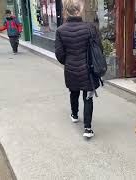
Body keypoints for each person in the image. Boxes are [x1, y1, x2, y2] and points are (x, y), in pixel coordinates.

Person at [55, 0, 102, 138]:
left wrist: (68, 62)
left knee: (73, 91)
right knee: (88, 97)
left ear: (66, 12)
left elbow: (59, 54)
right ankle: (87, 129)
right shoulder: (90, 28)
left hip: (70, 68)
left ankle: (74, 115)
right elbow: (99, 48)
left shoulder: (60, 30)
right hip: (88, 69)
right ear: (79, 11)